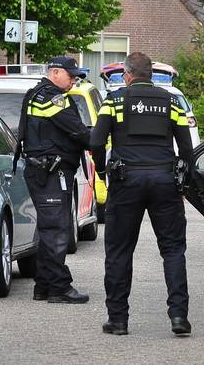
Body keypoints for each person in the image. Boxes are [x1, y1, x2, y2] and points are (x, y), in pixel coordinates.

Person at [90, 52, 194, 337]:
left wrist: (102, 171)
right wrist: (185, 180)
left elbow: (96, 141)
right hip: (164, 180)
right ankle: (178, 317)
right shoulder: (171, 102)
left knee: (119, 251)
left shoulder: (114, 101)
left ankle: (118, 320)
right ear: (150, 74)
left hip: (125, 181)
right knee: (172, 250)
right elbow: (186, 148)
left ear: (127, 75)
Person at [15, 56, 91, 304]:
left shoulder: (36, 94)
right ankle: (59, 287)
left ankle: (44, 285)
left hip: (43, 171)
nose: (74, 81)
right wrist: (99, 139)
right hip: (51, 172)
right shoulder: (52, 97)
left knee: (49, 228)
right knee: (56, 230)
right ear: (56, 73)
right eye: (71, 76)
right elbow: (78, 131)